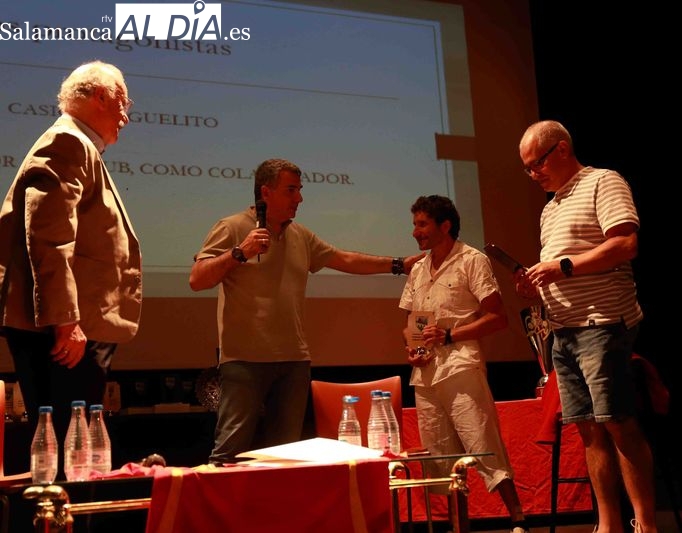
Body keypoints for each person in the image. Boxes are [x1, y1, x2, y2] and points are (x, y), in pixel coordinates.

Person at [189, 157, 424, 465]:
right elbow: (197, 279)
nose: (299, 198)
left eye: (299, 190)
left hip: (293, 361)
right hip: (244, 360)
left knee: (286, 455)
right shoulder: (232, 227)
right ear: (266, 192)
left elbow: (344, 259)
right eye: (291, 190)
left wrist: (398, 265)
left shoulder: (300, 235)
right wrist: (239, 252)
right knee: (228, 453)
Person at [514, 120, 656, 533]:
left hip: (603, 323)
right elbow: (564, 266)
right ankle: (608, 524)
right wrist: (536, 284)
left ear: (561, 149)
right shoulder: (551, 208)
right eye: (527, 168)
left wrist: (562, 267)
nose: (533, 174)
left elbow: (625, 244)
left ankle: (646, 524)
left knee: (618, 422)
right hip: (564, 331)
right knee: (590, 432)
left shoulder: (602, 182)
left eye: (537, 163)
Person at [0, 61, 142, 449]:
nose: (126, 117)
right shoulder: (68, 142)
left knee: (74, 446)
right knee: (70, 449)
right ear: (100, 96)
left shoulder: (76, 144)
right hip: (62, 331)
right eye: (123, 101)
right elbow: (49, 236)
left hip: (68, 328)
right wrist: (65, 321)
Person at [398, 195, 529, 533]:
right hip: (426, 374)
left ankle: (518, 519)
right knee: (440, 456)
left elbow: (497, 317)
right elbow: (412, 322)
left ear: (445, 226)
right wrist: (413, 347)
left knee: (482, 443)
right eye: (415, 224)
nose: (415, 232)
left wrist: (450, 335)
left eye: (422, 224)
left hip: (460, 366)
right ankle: (459, 526)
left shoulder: (471, 260)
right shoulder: (419, 268)